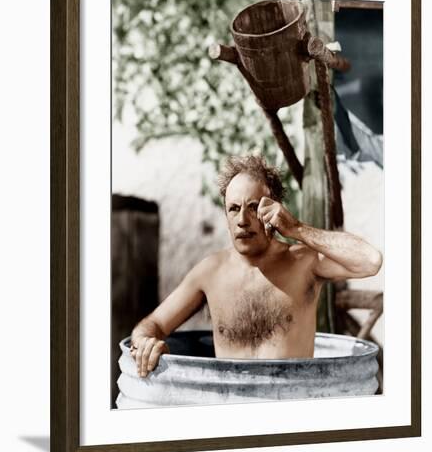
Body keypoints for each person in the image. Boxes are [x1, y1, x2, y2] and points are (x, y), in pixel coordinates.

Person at [130, 155, 383, 377]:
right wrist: (145, 342)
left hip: (296, 405)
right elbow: (154, 324)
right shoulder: (210, 272)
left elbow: (370, 261)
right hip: (230, 411)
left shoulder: (304, 262)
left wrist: (297, 229)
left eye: (253, 208)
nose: (242, 220)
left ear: (274, 210)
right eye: (234, 209)